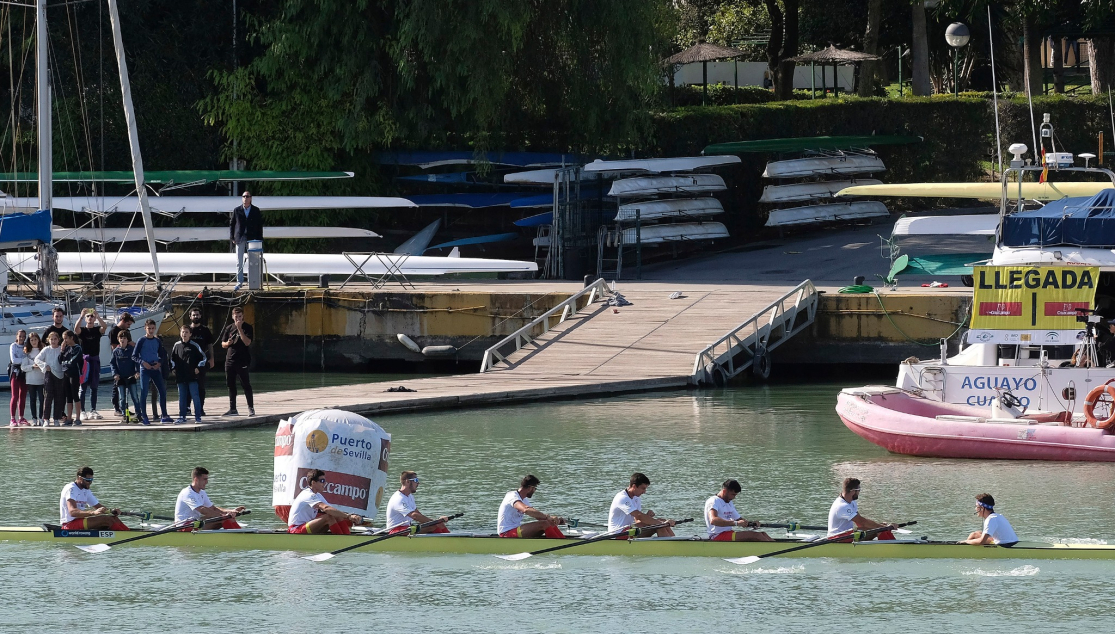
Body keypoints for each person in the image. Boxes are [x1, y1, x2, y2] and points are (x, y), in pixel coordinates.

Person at [287, 469, 364, 535]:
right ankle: (342, 540)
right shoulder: (308, 495)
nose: (324, 483)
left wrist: (351, 516)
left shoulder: (318, 495)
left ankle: (347, 536)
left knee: (336, 515)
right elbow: (326, 508)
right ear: (313, 483)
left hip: (306, 527)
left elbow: (332, 510)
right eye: (322, 481)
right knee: (328, 517)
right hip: (295, 529)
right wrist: (348, 516)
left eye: (325, 481)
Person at [59, 466, 129, 531]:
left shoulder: (86, 490)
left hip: (80, 521)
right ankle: (127, 537)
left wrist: (111, 511)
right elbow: (72, 512)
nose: (90, 482)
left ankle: (127, 533)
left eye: (91, 479)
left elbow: (98, 506)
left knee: (114, 518)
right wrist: (93, 513)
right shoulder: (71, 489)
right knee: (106, 519)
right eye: (88, 480)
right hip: (69, 525)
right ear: (80, 478)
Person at [174, 467, 246, 529]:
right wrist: (223, 516)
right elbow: (202, 510)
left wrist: (230, 511)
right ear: (196, 479)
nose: (207, 482)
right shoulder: (187, 493)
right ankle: (242, 537)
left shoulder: (201, 492)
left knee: (226, 518)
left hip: (195, 522)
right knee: (224, 518)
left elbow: (213, 509)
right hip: (184, 526)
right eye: (204, 479)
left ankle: (239, 533)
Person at [608, 472, 676, 537]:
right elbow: (639, 515)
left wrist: (647, 517)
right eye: (643, 488)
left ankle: (675, 542)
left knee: (662, 521)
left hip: (630, 529)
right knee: (660, 525)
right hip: (618, 533)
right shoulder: (622, 498)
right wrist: (660, 523)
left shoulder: (636, 498)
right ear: (634, 486)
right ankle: (670, 547)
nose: (644, 492)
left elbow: (637, 520)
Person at [827, 477, 896, 541]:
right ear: (853, 491)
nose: (859, 492)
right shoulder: (841, 506)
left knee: (878, 529)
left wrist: (880, 526)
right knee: (879, 529)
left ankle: (893, 544)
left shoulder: (852, 502)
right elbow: (862, 522)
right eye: (859, 490)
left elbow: (860, 523)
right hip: (837, 538)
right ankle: (893, 549)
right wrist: (881, 527)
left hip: (847, 534)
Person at [496, 475, 565, 539]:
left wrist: (554, 521)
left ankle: (562, 540)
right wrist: (548, 517)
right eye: (535, 488)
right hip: (506, 533)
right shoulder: (512, 496)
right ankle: (559, 545)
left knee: (548, 523)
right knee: (544, 523)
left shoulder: (524, 500)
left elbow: (537, 516)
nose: (534, 491)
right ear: (530, 488)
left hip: (516, 530)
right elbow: (525, 509)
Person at [704, 479, 773, 542]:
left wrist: (752, 524)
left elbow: (739, 520)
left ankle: (775, 546)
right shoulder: (713, 501)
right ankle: (773, 549)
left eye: (735, 495)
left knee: (763, 534)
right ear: (725, 491)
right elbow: (713, 520)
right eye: (733, 494)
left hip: (728, 533)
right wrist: (736, 523)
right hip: (717, 536)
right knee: (757, 536)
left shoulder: (729, 502)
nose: (734, 497)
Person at [386, 471, 450, 534]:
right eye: (416, 480)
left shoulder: (409, 496)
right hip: (395, 530)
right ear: (407, 481)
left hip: (407, 528)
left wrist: (437, 522)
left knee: (439, 524)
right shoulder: (398, 499)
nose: (418, 483)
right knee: (433, 526)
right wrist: (434, 522)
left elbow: (418, 514)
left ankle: (449, 538)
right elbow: (414, 516)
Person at [132, 318, 170, 425]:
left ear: (155, 328)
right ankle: (144, 416)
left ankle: (165, 415)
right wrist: (143, 363)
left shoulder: (157, 340)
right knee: (144, 393)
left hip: (155, 369)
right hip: (145, 369)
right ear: (145, 328)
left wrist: (159, 363)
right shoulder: (141, 340)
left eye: (153, 328)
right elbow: (134, 356)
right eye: (149, 328)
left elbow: (163, 355)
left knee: (162, 391)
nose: (151, 330)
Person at [220, 306, 254, 416]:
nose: (238, 319)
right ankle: (233, 409)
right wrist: (228, 343)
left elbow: (247, 342)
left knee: (245, 384)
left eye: (240, 316)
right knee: (230, 384)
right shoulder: (229, 328)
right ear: (232, 317)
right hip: (230, 360)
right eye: (236, 317)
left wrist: (239, 329)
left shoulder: (247, 327)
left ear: (243, 316)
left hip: (242, 360)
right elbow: (223, 344)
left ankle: (250, 408)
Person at [74, 308, 107, 419]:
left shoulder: (97, 330)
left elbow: (104, 327)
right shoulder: (82, 331)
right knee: (83, 387)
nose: (90, 318)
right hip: (84, 362)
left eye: (92, 316)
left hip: (95, 360)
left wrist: (98, 316)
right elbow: (76, 329)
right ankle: (82, 411)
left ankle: (93, 410)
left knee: (94, 387)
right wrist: (81, 316)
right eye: (89, 316)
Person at [171, 325, 207, 424]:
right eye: (183, 332)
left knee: (195, 395)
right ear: (180, 333)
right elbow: (172, 359)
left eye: (187, 332)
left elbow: (203, 358)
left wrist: (198, 368)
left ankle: (198, 417)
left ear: (190, 334)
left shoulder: (195, 345)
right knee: (181, 396)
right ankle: (182, 416)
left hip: (192, 376)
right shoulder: (176, 345)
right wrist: (174, 369)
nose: (184, 334)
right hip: (181, 376)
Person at [230, 191, 262, 291]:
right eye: (243, 196)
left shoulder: (256, 210)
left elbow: (259, 225)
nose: (245, 198)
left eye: (247, 196)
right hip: (240, 237)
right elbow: (232, 224)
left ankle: (251, 281)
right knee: (239, 261)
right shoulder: (237, 210)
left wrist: (259, 239)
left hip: (252, 238)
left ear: (251, 198)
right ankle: (239, 282)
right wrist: (232, 238)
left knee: (252, 261)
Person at [187, 307, 215, 415]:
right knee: (188, 385)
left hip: (202, 362)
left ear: (200, 316)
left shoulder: (205, 330)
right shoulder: (187, 329)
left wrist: (212, 358)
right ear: (190, 317)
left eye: (197, 315)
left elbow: (210, 345)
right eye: (194, 315)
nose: (196, 317)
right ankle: (187, 407)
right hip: (189, 362)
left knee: (201, 387)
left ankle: (200, 408)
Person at [107, 312, 136, 416]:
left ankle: (125, 408)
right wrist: (127, 344)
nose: (128, 327)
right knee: (117, 387)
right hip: (118, 362)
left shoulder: (127, 332)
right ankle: (116, 408)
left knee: (127, 389)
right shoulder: (113, 331)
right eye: (128, 324)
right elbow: (114, 347)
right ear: (123, 321)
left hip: (127, 364)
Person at [111, 330, 142, 423]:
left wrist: (137, 372)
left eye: (124, 338)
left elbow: (136, 361)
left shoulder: (132, 350)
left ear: (127, 340)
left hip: (131, 377)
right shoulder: (116, 351)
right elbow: (112, 364)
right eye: (121, 338)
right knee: (122, 398)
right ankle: (124, 414)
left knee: (135, 396)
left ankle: (138, 414)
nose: (123, 340)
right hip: (120, 378)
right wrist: (115, 374)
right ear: (118, 339)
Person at [34, 331, 65, 426]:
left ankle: (56, 418)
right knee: (48, 397)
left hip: (59, 375)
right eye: (51, 339)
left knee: (58, 397)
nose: (53, 341)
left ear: (58, 340)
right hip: (49, 374)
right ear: (48, 340)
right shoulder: (46, 349)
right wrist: (44, 365)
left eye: (55, 339)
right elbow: (37, 359)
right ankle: (46, 418)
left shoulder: (61, 349)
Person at [58, 330, 83, 426]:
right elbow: (60, 360)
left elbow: (73, 360)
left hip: (74, 374)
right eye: (63, 339)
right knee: (68, 396)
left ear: (71, 337)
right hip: (66, 374)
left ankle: (78, 417)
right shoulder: (66, 348)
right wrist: (62, 350)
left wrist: (65, 363)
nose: (65, 341)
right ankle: (69, 417)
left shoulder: (78, 348)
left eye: (66, 338)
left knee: (75, 395)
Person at [21, 332, 45, 426]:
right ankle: (34, 418)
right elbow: (23, 367)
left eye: (35, 339)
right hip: (31, 380)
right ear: (29, 341)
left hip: (41, 379)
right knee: (32, 399)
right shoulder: (27, 352)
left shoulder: (42, 351)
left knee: (42, 399)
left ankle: (41, 417)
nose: (34, 342)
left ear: (38, 340)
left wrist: (41, 366)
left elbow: (46, 362)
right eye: (31, 340)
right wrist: (32, 366)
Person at [9, 329, 28, 427]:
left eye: (23, 336)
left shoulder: (26, 346)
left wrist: (24, 361)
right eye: (20, 336)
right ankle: (12, 418)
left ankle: (21, 417)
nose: (21, 338)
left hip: (24, 372)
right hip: (15, 372)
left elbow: (28, 358)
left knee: (23, 395)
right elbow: (14, 360)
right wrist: (24, 361)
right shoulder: (13, 346)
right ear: (17, 336)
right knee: (14, 395)